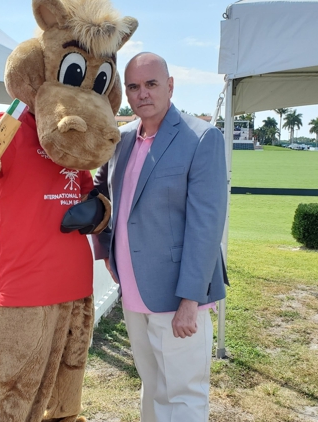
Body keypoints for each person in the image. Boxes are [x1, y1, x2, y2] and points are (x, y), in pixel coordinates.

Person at [92, 52, 228, 422]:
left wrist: (190, 301)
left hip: (178, 298)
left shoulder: (201, 138)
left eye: (151, 84)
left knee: (183, 395)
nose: (142, 94)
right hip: (134, 293)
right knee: (152, 387)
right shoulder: (119, 140)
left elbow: (206, 226)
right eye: (134, 87)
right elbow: (100, 191)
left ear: (170, 85)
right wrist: (105, 249)